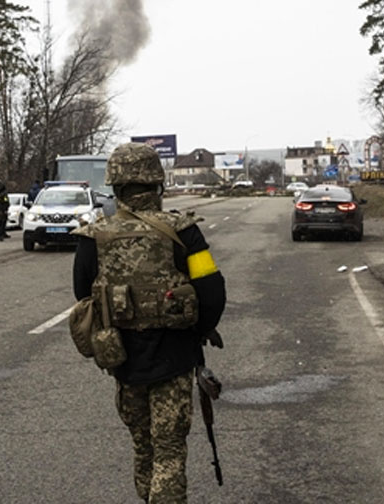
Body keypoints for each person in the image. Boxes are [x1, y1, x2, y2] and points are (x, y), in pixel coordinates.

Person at [72, 143, 226, 504]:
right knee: (170, 451)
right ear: (158, 185)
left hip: (124, 362)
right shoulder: (183, 231)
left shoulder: (94, 236)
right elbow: (212, 291)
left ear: (115, 187)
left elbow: (84, 296)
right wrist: (200, 328)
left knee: (144, 449)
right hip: (174, 359)